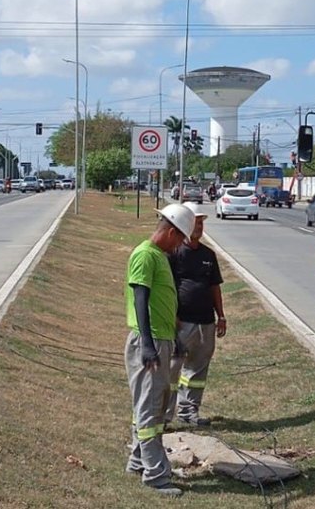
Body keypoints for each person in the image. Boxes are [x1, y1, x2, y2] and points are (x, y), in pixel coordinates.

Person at [124, 203, 195, 497]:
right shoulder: (144, 255)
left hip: (161, 339)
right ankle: (155, 475)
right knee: (150, 409)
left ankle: (138, 461)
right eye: (179, 238)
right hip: (148, 341)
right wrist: (149, 346)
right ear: (169, 231)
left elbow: (162, 303)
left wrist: (174, 338)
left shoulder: (160, 256)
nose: (180, 245)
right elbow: (141, 300)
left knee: (151, 403)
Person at [166, 201, 227, 427]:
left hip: (206, 323)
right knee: (173, 370)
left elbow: (214, 286)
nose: (199, 227)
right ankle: (164, 416)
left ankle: (189, 412)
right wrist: (172, 316)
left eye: (201, 223)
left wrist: (221, 316)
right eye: (195, 223)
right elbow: (168, 287)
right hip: (182, 323)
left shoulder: (208, 255)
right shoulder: (174, 253)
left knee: (198, 369)